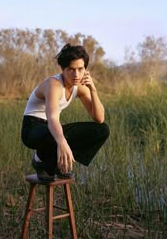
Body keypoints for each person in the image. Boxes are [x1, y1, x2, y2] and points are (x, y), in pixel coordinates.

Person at [21, 43, 110, 181]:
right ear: (63, 69)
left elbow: (99, 118)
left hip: (50, 128)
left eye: (80, 69)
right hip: (32, 129)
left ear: (85, 69)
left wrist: (93, 90)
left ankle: (57, 162)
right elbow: (52, 118)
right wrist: (62, 142)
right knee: (57, 135)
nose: (76, 74)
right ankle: (39, 160)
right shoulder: (54, 84)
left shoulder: (80, 87)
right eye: (71, 69)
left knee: (102, 130)